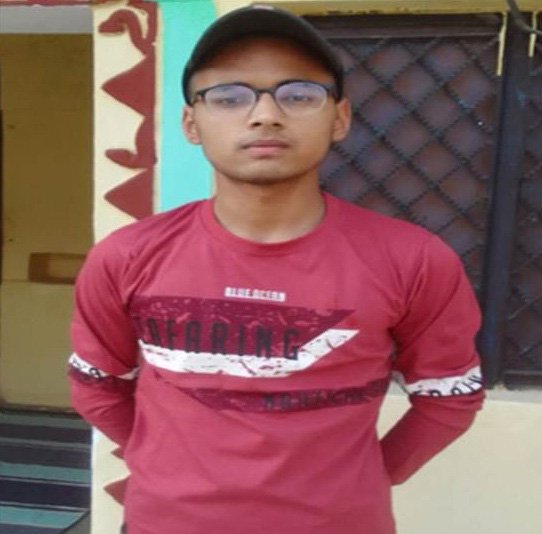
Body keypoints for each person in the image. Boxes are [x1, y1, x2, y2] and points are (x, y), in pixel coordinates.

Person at [68, 5, 484, 534]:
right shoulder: (127, 255)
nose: (265, 114)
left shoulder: (414, 260)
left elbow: (449, 398)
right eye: (229, 96)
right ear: (191, 123)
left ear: (340, 118)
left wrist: (366, 479)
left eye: (299, 94)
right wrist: (160, 461)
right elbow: (97, 385)